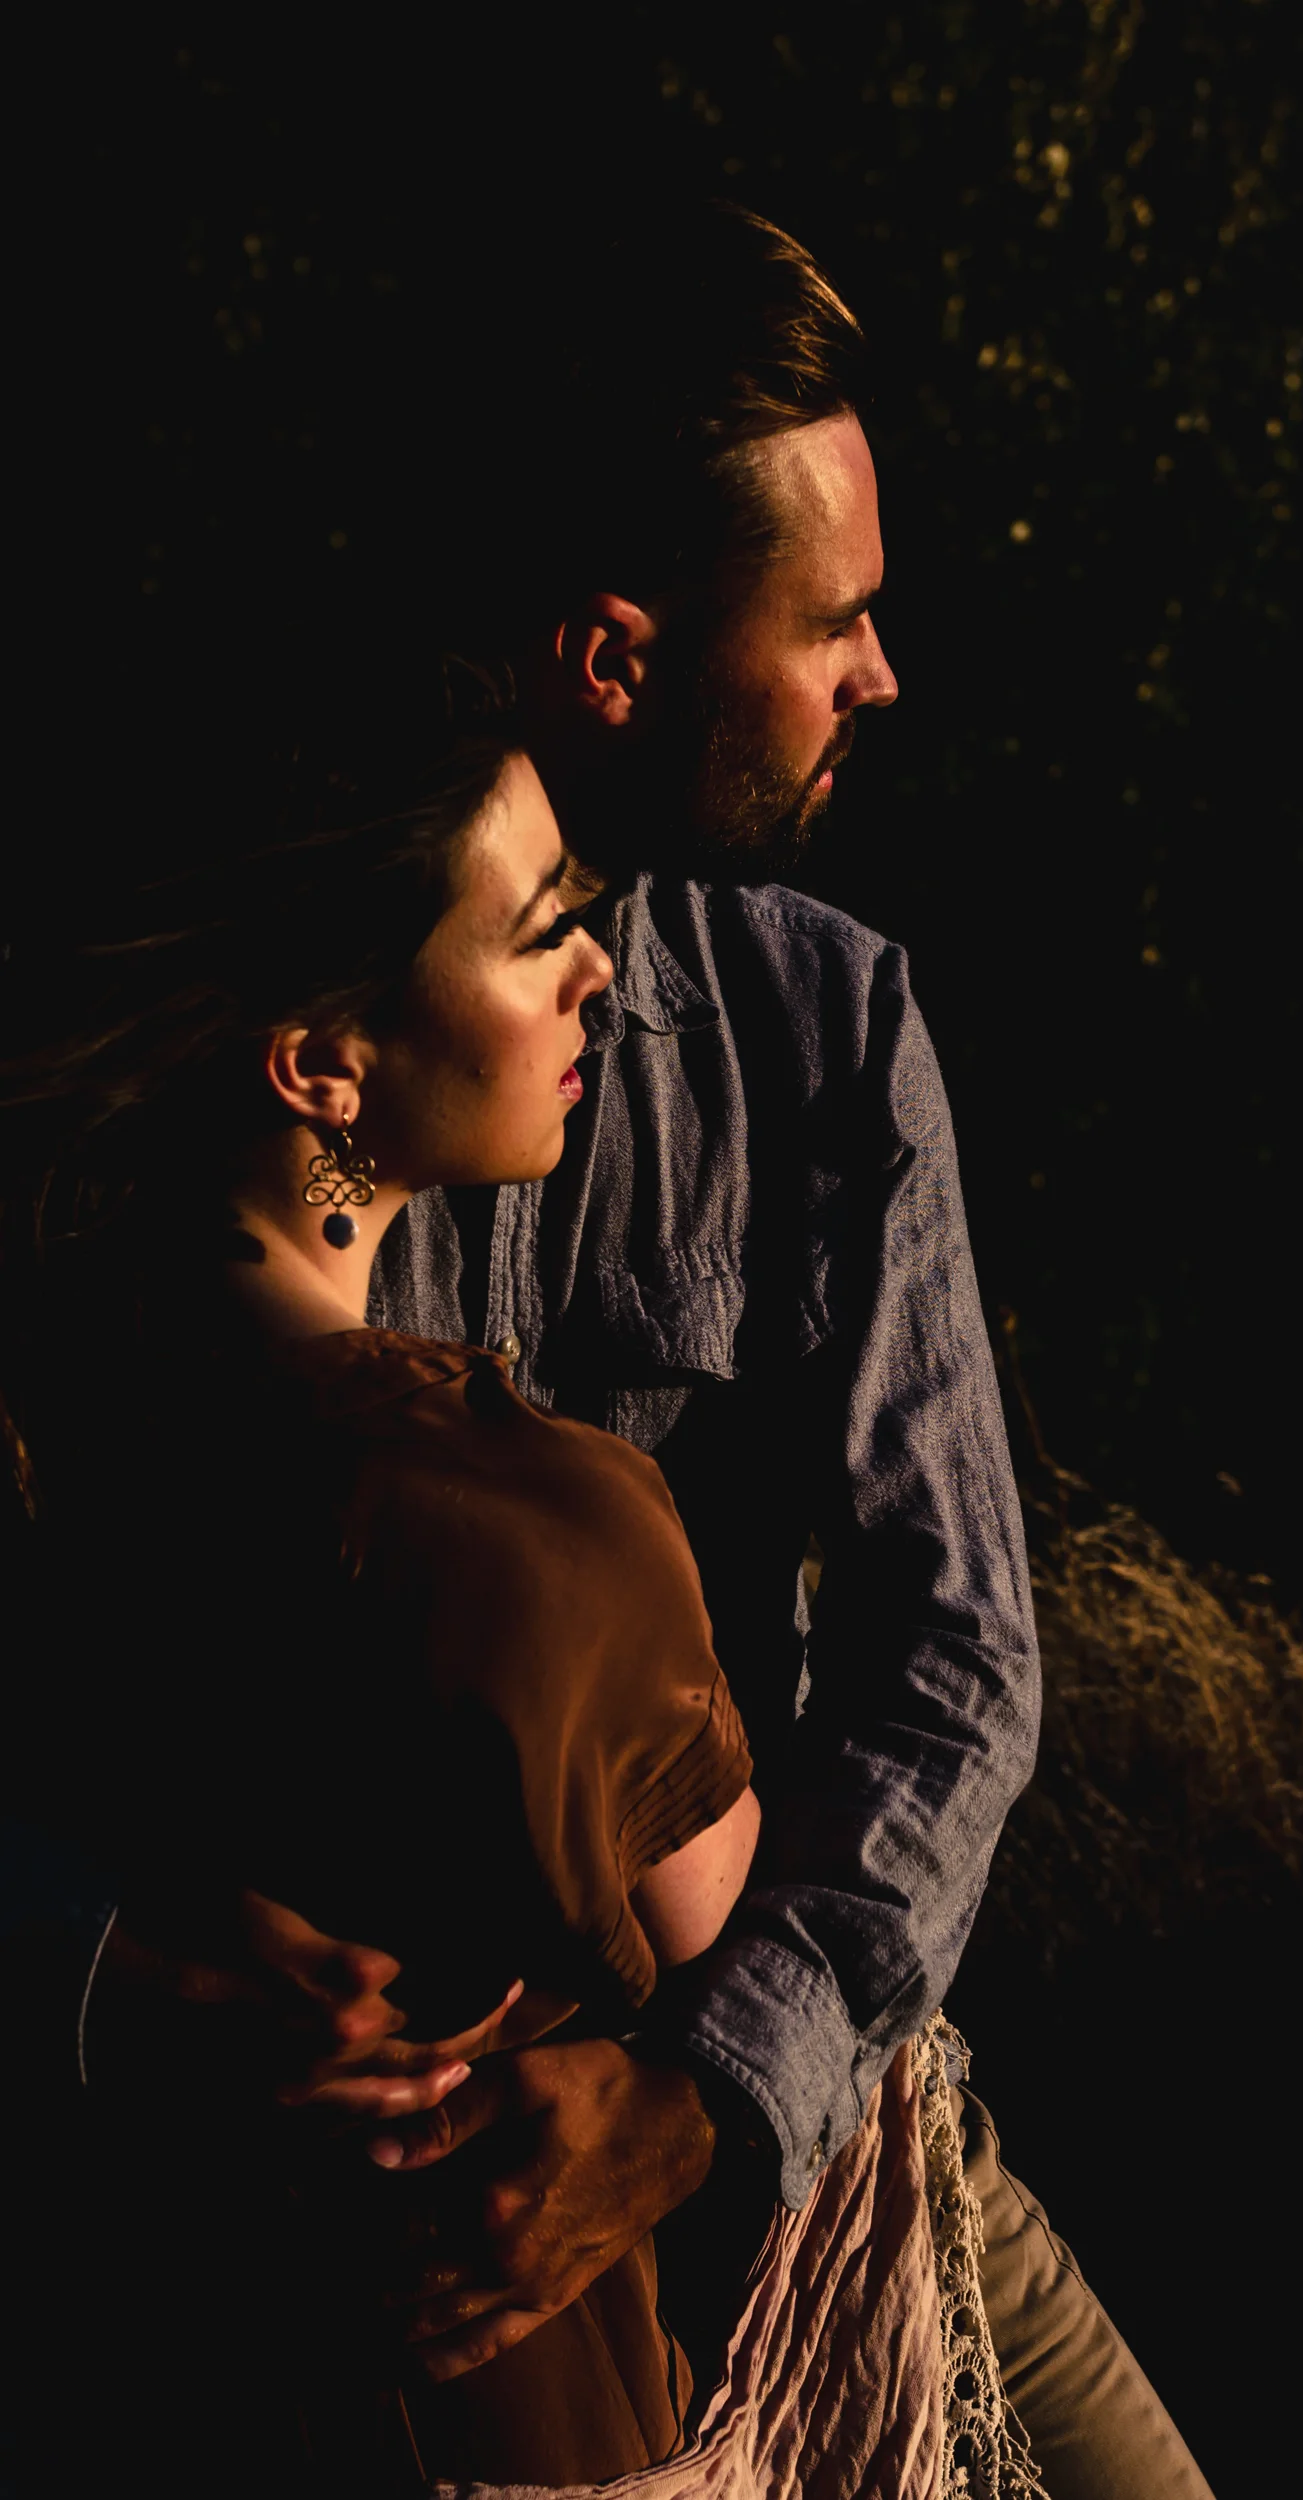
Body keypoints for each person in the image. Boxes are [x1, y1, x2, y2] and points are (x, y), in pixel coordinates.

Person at [7, 211, 1217, 2497]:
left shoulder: (826, 1032)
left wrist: (700, 2093)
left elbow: (956, 1663)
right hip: (348, 2225)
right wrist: (108, 1967)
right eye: (832, 623)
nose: (883, 677)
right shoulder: (274, 1003)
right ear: (613, 654)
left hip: (807, 2139)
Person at [4, 645, 938, 2493]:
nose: (602, 971)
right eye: (538, 937)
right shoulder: (536, 1531)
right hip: (504, 2417)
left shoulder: (76, 1438)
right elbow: (733, 1925)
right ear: (321, 1067)